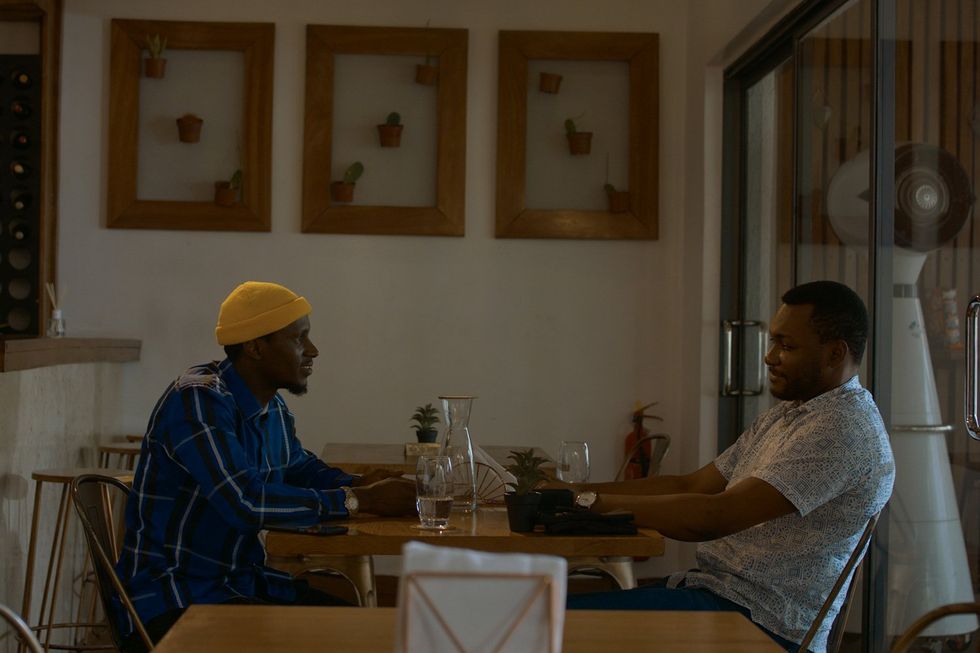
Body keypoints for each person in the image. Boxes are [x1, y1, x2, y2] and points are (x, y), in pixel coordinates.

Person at [555, 280, 894, 653]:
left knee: (545, 621)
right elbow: (695, 485)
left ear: (834, 354)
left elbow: (715, 515)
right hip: (714, 595)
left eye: (787, 345)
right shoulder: (792, 414)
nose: (769, 357)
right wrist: (572, 494)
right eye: (773, 341)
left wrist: (589, 504)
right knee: (541, 610)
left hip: (763, 626)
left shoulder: (843, 428)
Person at [114, 281, 416, 651]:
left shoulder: (270, 407)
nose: (313, 350)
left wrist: (367, 483)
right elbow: (245, 503)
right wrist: (359, 499)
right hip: (176, 598)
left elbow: (299, 467)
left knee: (359, 626)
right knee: (345, 639)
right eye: (298, 339)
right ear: (255, 347)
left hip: (238, 584)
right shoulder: (198, 401)